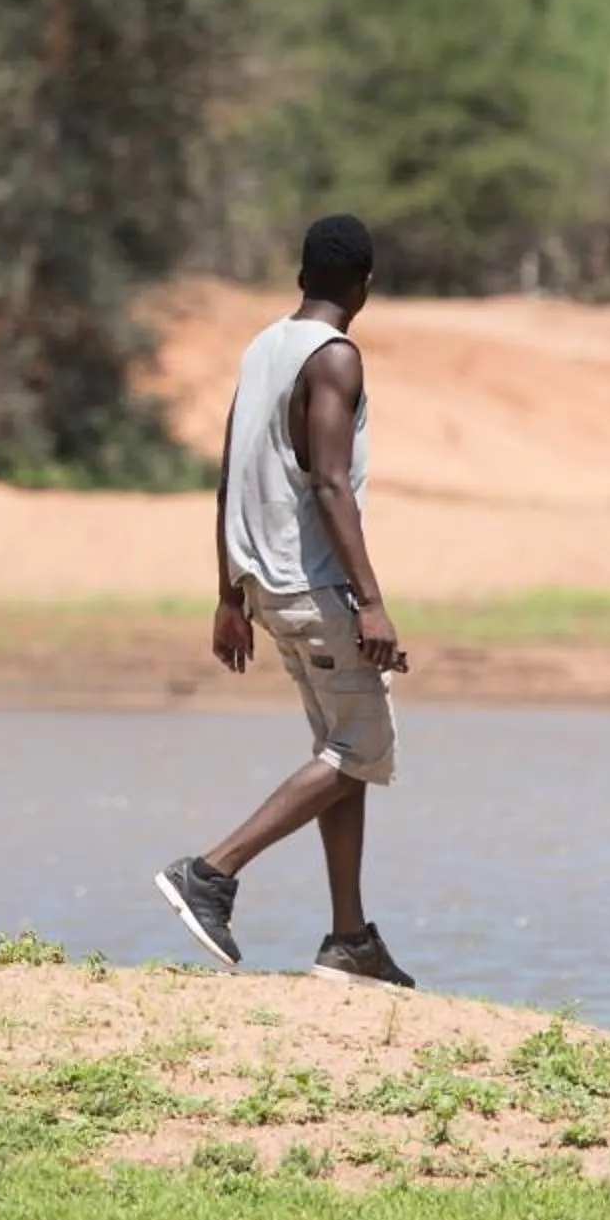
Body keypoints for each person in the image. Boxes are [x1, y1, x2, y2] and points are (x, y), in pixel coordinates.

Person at [154, 214, 413, 987]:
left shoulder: (264, 347)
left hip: (267, 586)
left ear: (304, 275)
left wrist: (228, 593)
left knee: (343, 750)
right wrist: (371, 601)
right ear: (364, 283)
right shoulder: (335, 358)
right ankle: (211, 872)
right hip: (317, 587)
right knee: (363, 748)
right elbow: (330, 482)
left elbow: (233, 468)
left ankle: (348, 937)